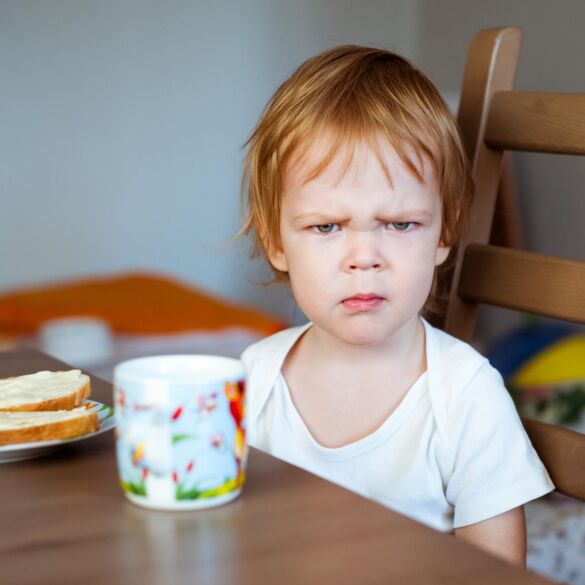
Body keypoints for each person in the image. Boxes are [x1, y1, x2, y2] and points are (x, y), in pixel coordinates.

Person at [239, 45, 553, 567]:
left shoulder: (464, 396)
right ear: (276, 241)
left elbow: (495, 573)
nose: (364, 258)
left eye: (400, 224)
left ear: (444, 231)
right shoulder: (254, 380)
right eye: (326, 227)